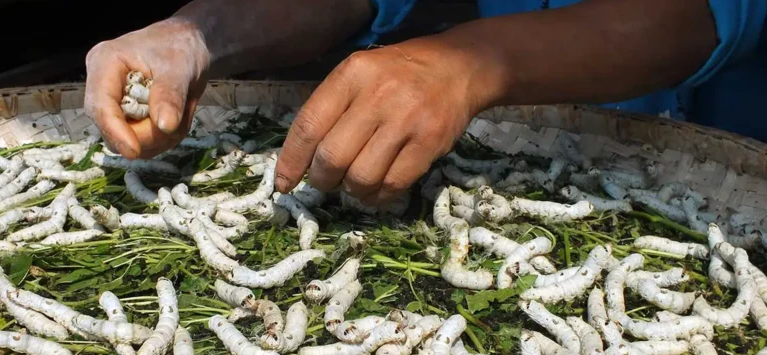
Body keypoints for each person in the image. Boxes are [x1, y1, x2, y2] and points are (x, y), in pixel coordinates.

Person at [84, 0, 766, 205]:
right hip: (503, 164)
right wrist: (196, 37)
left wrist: (469, 63)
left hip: (708, 186)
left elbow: (705, 13)